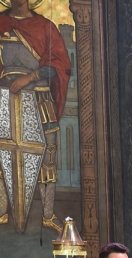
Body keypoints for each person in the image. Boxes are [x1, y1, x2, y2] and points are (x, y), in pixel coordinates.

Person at [0, 0, 71, 233]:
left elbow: (58, 64)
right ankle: (1, 211)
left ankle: (48, 216)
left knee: (47, 157)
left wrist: (28, 78)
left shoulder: (45, 27)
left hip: (39, 98)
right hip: (4, 99)